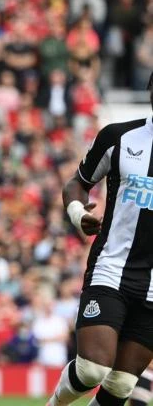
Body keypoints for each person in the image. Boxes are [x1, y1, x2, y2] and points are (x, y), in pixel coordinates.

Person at [47, 72, 153, 405]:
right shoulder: (120, 137)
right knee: (93, 369)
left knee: (121, 385)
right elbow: (75, 184)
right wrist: (79, 215)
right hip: (112, 268)